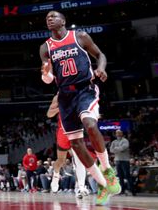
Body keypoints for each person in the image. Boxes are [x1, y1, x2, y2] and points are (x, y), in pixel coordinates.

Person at [39, 11, 121, 206]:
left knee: (90, 124)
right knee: (76, 144)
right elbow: (48, 79)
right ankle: (102, 185)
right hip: (65, 96)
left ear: (63, 21)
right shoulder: (45, 48)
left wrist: (101, 68)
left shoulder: (80, 37)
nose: (49, 19)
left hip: (85, 89)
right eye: (47, 18)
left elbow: (100, 55)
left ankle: (108, 170)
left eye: (53, 16)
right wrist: (46, 74)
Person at [47, 94, 87, 197]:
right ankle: (55, 176)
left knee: (79, 158)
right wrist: (60, 108)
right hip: (63, 131)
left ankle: (80, 187)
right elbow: (49, 114)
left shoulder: (81, 93)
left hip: (76, 129)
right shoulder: (58, 96)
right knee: (61, 161)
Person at [110, 130, 130, 195]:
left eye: (119, 133)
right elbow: (111, 150)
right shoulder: (114, 142)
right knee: (120, 176)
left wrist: (116, 149)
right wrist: (119, 149)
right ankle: (122, 190)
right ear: (115, 134)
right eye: (117, 133)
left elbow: (124, 148)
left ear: (122, 133)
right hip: (117, 160)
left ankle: (130, 190)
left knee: (127, 175)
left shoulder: (125, 141)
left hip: (125, 160)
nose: (118, 134)